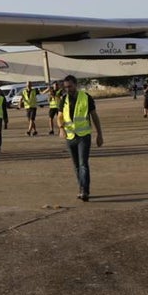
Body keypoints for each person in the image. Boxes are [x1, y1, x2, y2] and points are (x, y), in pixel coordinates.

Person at [61, 74, 104, 202]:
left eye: (70, 86)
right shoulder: (63, 99)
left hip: (83, 137)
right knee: (76, 166)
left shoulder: (86, 98)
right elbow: (59, 116)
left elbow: (94, 116)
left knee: (83, 164)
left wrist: (99, 134)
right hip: (70, 137)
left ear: (76, 85)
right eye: (66, 87)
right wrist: (61, 128)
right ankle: (81, 188)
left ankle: (85, 191)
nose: (68, 89)